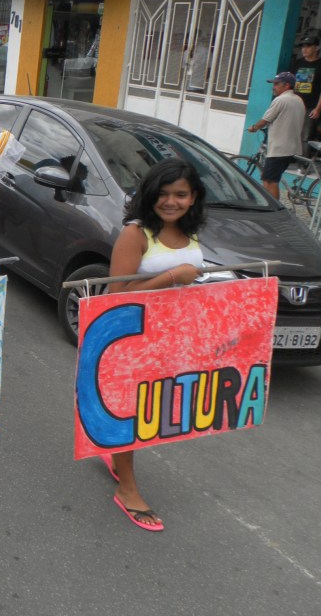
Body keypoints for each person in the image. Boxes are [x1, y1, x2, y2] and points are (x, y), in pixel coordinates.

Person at [105, 157, 206, 532]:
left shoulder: (189, 231)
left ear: (193, 197)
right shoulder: (136, 234)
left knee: (152, 405)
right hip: (132, 336)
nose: (171, 202)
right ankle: (127, 487)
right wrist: (171, 276)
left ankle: (116, 458)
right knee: (128, 411)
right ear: (150, 196)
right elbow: (116, 295)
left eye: (180, 194)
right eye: (163, 194)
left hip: (173, 336)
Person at [247, 71, 305, 200]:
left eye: (277, 84)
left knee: (269, 181)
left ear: (287, 85)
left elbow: (265, 120)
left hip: (279, 149)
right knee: (271, 179)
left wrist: (254, 128)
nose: (274, 87)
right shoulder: (298, 100)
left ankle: (275, 211)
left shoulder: (281, 100)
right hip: (291, 148)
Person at [290, 35, 321, 142]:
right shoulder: (298, 63)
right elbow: (291, 82)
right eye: (303, 46)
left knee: (305, 136)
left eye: (308, 46)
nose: (304, 49)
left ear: (317, 48)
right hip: (294, 105)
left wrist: (318, 108)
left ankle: (302, 158)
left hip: (310, 107)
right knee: (290, 133)